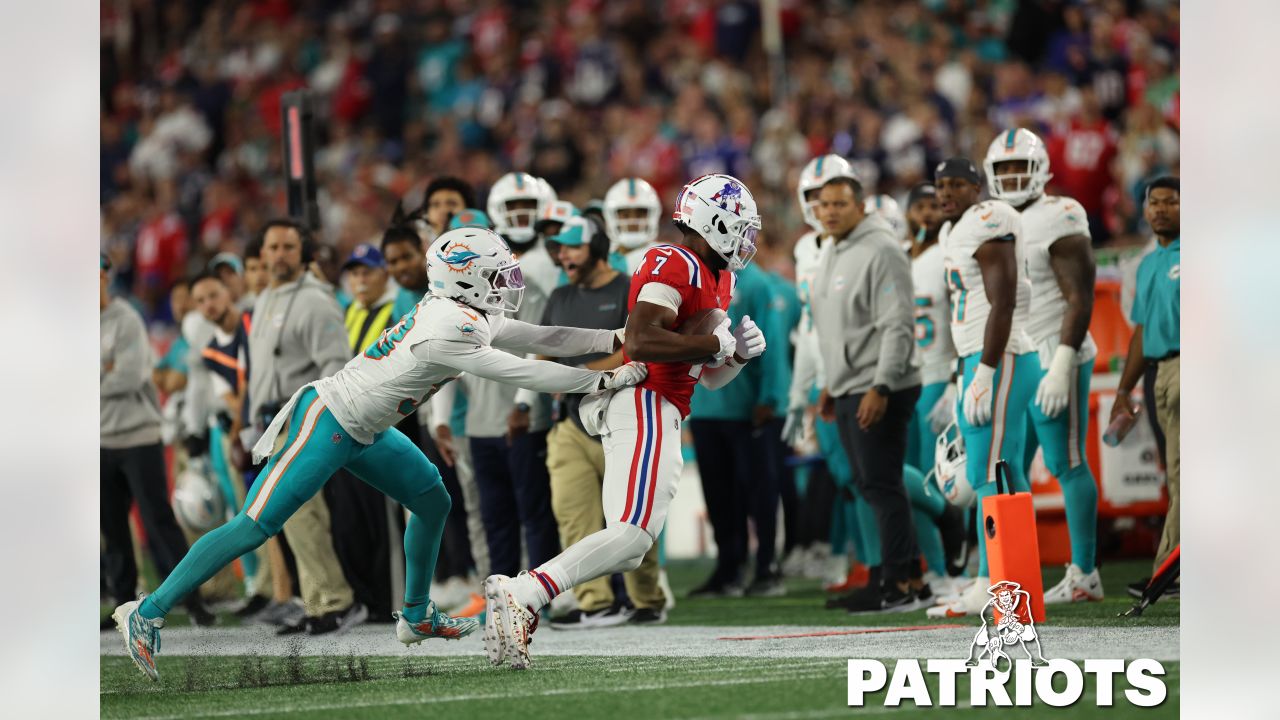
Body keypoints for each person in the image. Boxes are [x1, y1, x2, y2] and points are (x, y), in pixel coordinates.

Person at [112, 226, 649, 681]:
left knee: (433, 502)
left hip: (366, 428)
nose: (506, 283)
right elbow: (526, 371)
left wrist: (611, 338)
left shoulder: (461, 308)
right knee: (257, 524)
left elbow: (541, 334)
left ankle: (415, 615)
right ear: (465, 279)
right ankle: (147, 611)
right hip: (329, 420)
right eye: (495, 274)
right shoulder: (450, 327)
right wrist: (605, 379)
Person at [483, 172, 766, 670]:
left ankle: (525, 592)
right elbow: (639, 340)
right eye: (740, 225)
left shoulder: (721, 276)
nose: (747, 237)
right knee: (634, 533)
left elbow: (708, 376)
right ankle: (524, 593)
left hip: (665, 405)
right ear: (713, 221)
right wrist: (712, 343)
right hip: (645, 400)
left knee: (630, 544)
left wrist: (736, 357)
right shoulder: (673, 259)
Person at [984, 128, 1103, 603]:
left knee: (1066, 462)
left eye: (1020, 166)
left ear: (1041, 170)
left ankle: (1085, 574)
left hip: (1057, 349)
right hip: (1023, 353)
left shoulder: (1060, 213)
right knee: (1008, 466)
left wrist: (1063, 361)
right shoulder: (994, 219)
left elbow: (1081, 295)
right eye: (1004, 168)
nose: (1012, 176)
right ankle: (1012, 572)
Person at [538, 216, 668, 627]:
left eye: (573, 247)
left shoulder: (631, 288)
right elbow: (541, 354)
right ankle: (594, 603)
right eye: (559, 248)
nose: (564, 255)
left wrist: (581, 375)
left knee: (632, 517)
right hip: (570, 424)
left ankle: (647, 600)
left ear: (596, 245)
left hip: (623, 417)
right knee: (573, 514)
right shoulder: (559, 295)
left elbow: (637, 347)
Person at [809, 173, 928, 613]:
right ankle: (897, 574)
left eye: (840, 203)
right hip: (850, 383)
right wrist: (830, 382)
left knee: (881, 484)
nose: (831, 211)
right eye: (824, 205)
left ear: (861, 206)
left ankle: (899, 584)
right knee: (869, 484)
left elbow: (897, 324)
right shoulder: (835, 249)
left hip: (878, 384)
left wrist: (881, 385)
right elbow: (842, 325)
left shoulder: (881, 249)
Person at [926, 158, 1040, 619]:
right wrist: (966, 369)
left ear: (978, 187)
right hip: (977, 355)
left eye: (958, 184)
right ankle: (991, 580)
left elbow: (1004, 298)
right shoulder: (951, 230)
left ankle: (998, 584)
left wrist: (986, 370)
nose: (948, 192)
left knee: (991, 475)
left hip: (1001, 354)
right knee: (991, 475)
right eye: (942, 185)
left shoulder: (987, 221)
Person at [241, 219, 363, 636]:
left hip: (302, 420)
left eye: (288, 247)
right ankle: (315, 601)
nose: (278, 255)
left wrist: (316, 419)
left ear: (303, 253)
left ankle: (333, 600)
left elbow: (335, 364)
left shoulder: (316, 300)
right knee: (292, 516)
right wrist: (251, 421)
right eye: (272, 247)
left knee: (304, 513)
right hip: (272, 422)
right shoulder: (265, 299)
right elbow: (261, 371)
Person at [782, 155, 878, 593]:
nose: (822, 206)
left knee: (871, 477)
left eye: (830, 197)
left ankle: (890, 564)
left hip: (859, 372)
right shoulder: (806, 248)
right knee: (847, 479)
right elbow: (808, 324)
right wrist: (799, 393)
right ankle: (867, 564)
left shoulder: (868, 243)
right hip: (825, 376)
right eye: (813, 198)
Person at [100, 255, 212, 631]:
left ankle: (192, 600)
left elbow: (128, 378)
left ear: (105, 277)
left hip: (139, 435)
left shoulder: (126, 319)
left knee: (159, 521)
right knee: (112, 528)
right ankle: (121, 605)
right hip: (97, 439)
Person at [1111, 176, 1179, 598]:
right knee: (1175, 475)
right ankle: (1172, 572)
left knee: (1189, 474)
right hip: (1158, 373)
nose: (1159, 209)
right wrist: (1124, 388)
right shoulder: (1150, 262)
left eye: (1171, 202)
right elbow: (1140, 329)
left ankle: (1168, 572)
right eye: (1153, 202)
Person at [903, 182, 968, 592]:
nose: (926, 214)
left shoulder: (947, 255)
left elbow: (963, 319)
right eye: (919, 206)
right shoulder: (896, 256)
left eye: (932, 206)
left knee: (931, 478)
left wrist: (955, 380)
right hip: (901, 380)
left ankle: (948, 566)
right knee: (905, 479)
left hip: (936, 376)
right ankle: (933, 566)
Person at [602, 177, 663, 273]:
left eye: (639, 214)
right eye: (625, 215)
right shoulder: (601, 257)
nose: (632, 221)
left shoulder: (666, 256)